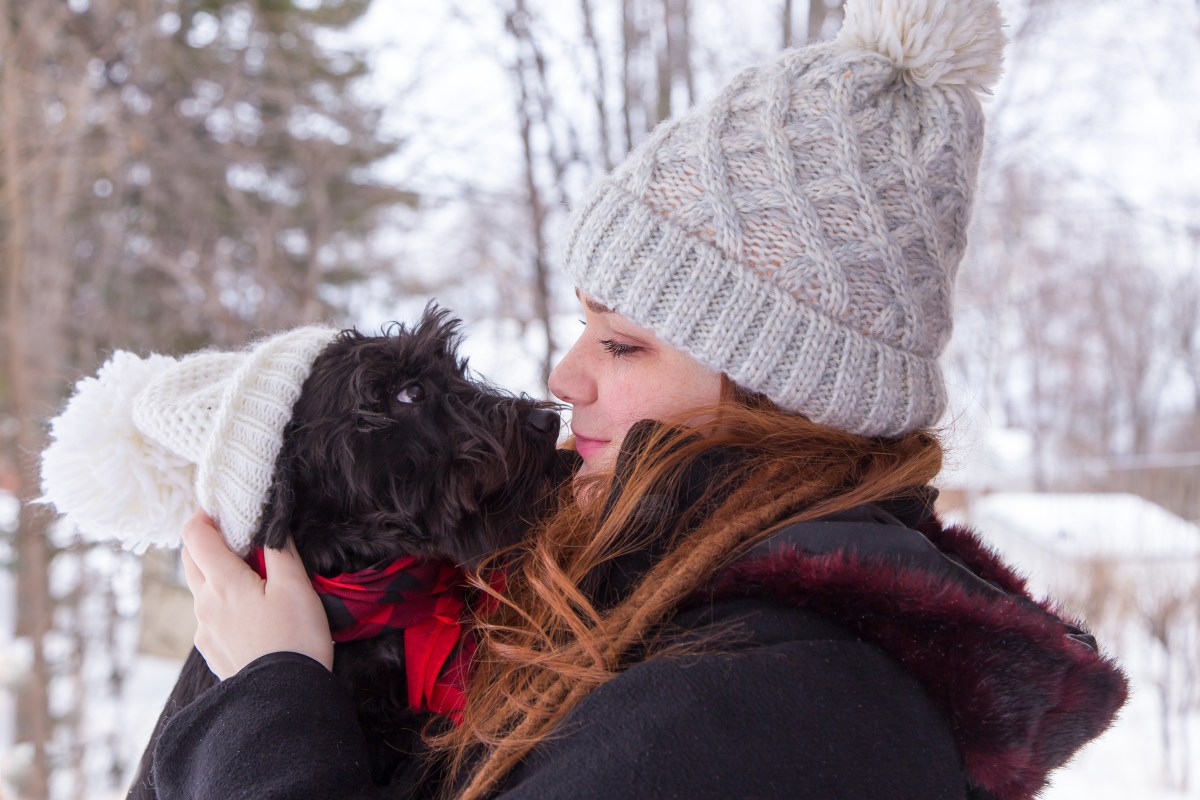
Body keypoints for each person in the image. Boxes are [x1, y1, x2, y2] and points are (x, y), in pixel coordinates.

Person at [153, 1, 1128, 798]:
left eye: (623, 342)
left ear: (775, 391)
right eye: (581, 326)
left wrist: (265, 704)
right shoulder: (634, 625)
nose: (563, 377)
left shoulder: (763, 710)